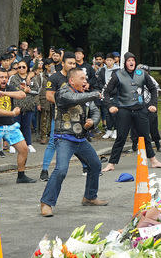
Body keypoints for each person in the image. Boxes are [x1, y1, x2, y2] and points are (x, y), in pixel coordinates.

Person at [40, 68, 108, 217]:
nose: (85, 81)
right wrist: (94, 94)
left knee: (95, 165)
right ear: (72, 81)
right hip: (64, 138)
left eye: (86, 79)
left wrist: (93, 121)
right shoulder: (63, 92)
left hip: (80, 138)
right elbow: (74, 99)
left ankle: (89, 197)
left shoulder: (85, 95)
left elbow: (95, 111)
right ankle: (46, 203)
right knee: (61, 169)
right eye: (82, 78)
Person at [102, 52, 161, 172]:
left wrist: (153, 104)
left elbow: (153, 89)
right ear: (125, 62)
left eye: (133, 60)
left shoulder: (141, 73)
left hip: (140, 109)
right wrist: (110, 105)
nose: (131, 62)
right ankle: (111, 163)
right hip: (124, 110)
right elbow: (105, 92)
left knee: (145, 136)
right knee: (121, 137)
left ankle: (153, 160)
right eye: (128, 60)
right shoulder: (117, 75)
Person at [39, 52, 89, 181]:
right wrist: (65, 102)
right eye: (70, 63)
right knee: (52, 143)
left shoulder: (77, 77)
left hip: (78, 116)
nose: (72, 65)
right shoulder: (55, 78)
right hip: (60, 117)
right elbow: (49, 96)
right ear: (63, 64)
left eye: (74, 63)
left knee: (80, 140)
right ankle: (44, 170)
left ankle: (86, 167)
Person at [128, 64, 161, 152]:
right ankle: (134, 145)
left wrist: (153, 104)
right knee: (134, 127)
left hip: (149, 105)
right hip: (137, 105)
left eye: (144, 71)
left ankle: (158, 145)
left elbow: (155, 91)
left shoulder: (151, 79)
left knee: (153, 126)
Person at [8, 61, 38, 153]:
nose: (21, 69)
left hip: (28, 106)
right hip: (17, 106)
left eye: (23, 67)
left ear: (27, 68)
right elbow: (10, 90)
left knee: (27, 126)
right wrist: (21, 90)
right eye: (19, 67)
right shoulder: (13, 78)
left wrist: (29, 91)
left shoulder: (32, 78)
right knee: (15, 126)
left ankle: (28, 144)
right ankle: (12, 145)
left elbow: (37, 91)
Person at [97, 53, 118, 140]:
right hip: (105, 94)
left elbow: (118, 83)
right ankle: (109, 130)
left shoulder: (117, 70)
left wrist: (111, 91)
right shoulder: (102, 70)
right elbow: (99, 81)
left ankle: (116, 130)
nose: (109, 62)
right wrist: (104, 90)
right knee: (107, 113)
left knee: (114, 113)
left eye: (110, 60)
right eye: (107, 60)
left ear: (114, 61)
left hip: (115, 95)